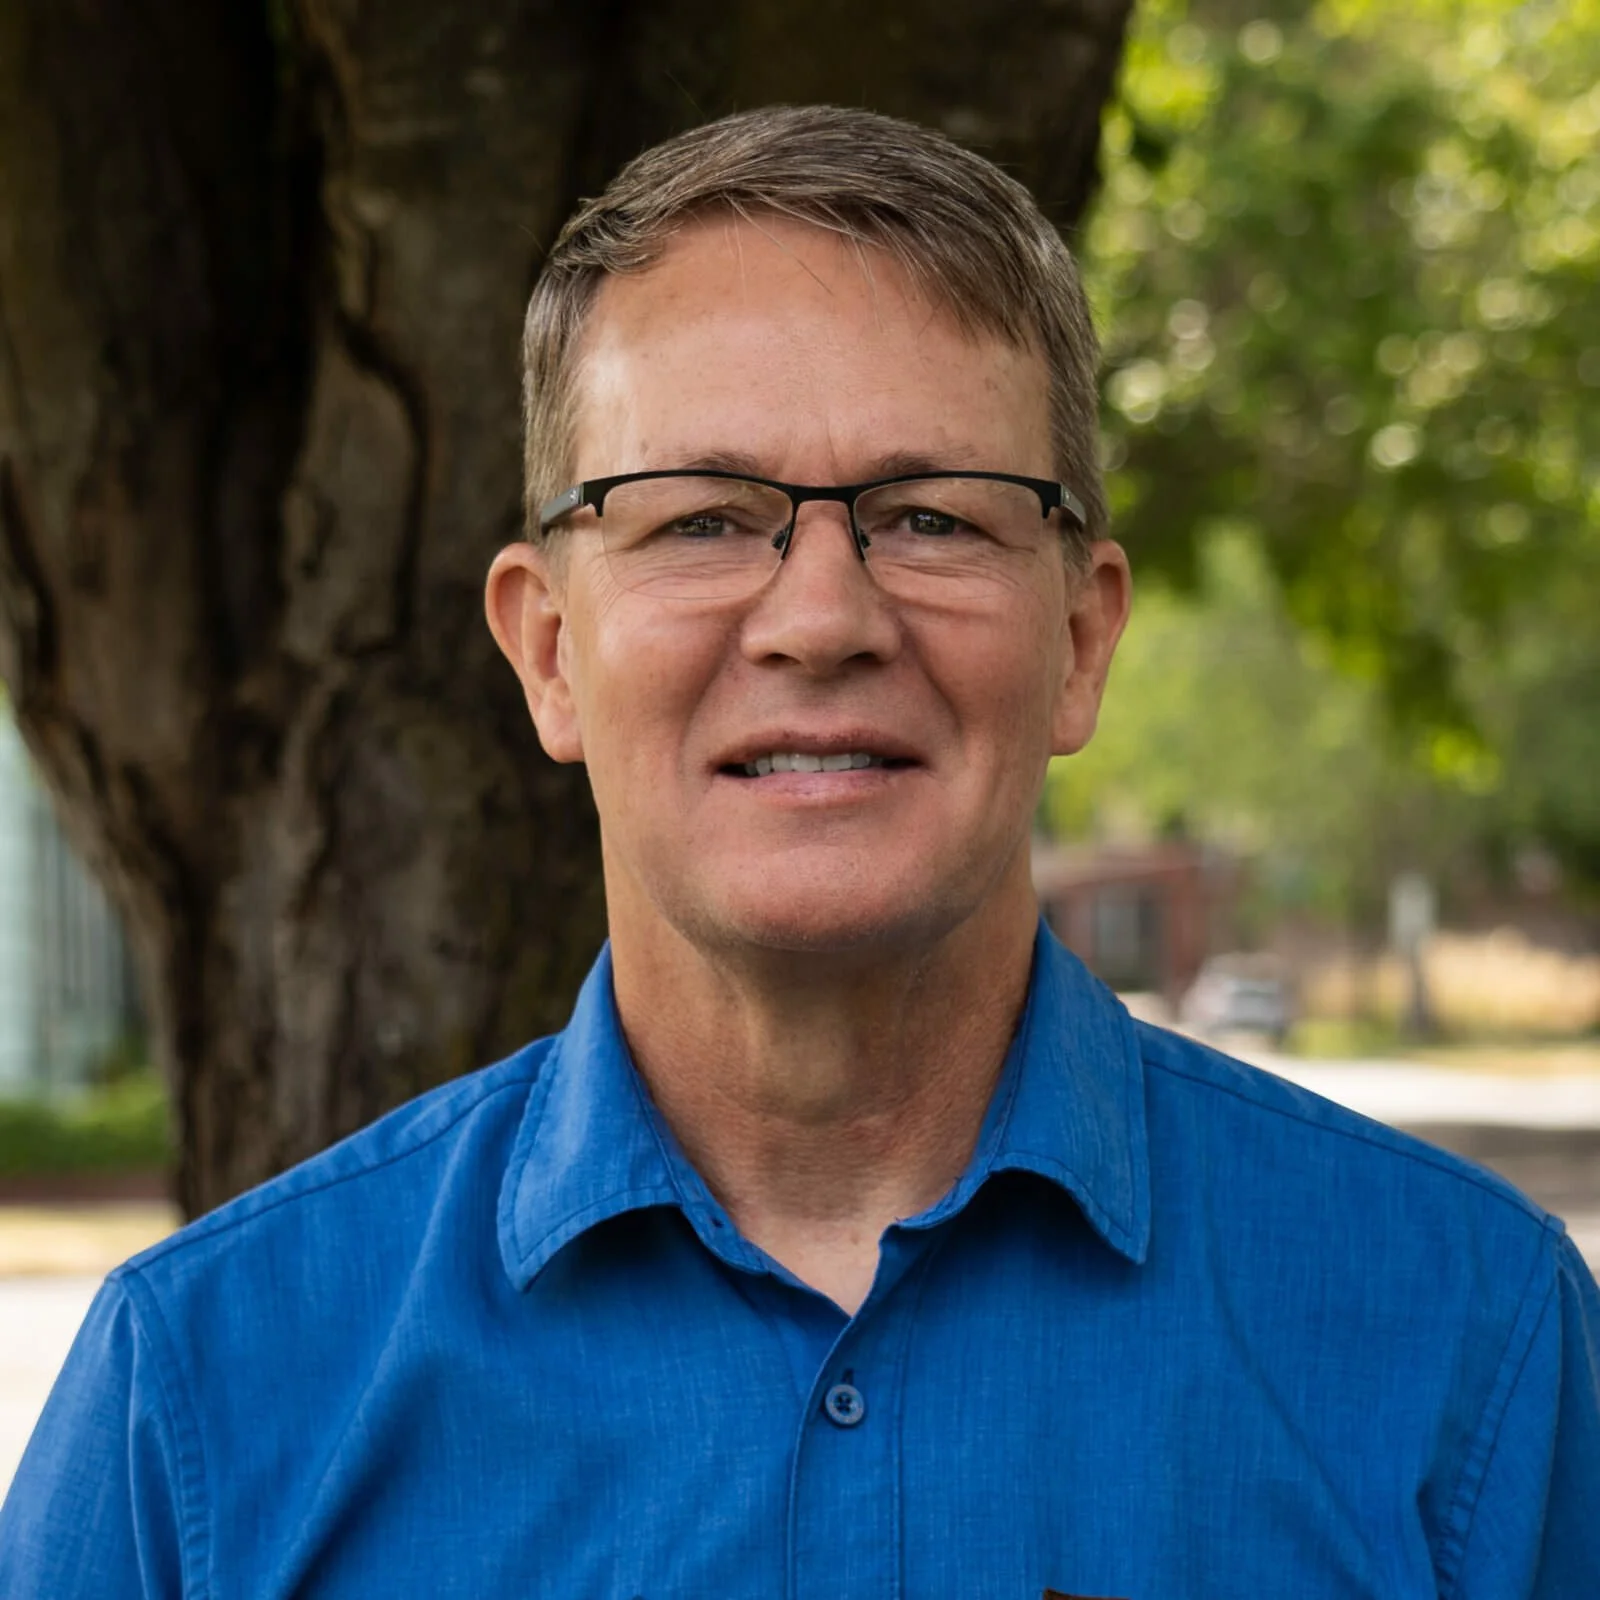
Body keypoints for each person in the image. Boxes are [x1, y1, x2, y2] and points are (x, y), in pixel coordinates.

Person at [2, 104, 1596, 1598]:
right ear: (549, 650)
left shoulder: (1473, 1351)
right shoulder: (200, 1407)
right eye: (698, 516)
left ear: (1083, 640)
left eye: (935, 517)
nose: (823, 618)